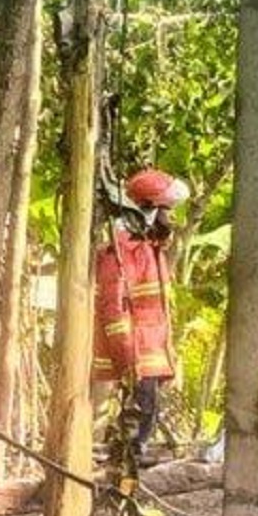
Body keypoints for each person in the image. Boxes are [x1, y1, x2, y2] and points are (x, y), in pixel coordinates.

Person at [94, 169, 189, 465]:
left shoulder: (150, 249)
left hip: (152, 350)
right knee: (137, 414)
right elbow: (113, 308)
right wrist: (126, 357)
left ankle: (132, 461)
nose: (172, 218)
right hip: (137, 352)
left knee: (147, 410)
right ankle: (126, 466)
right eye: (167, 211)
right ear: (148, 210)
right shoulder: (123, 251)